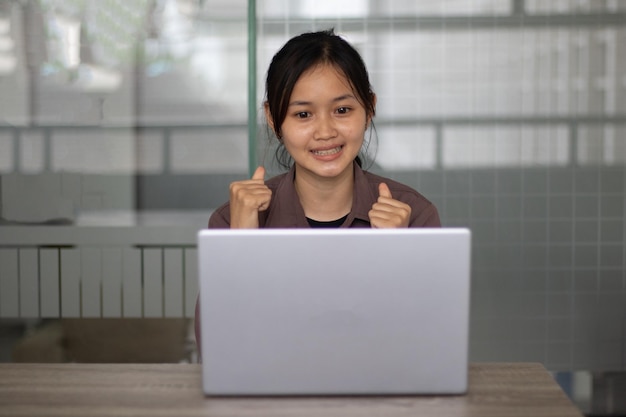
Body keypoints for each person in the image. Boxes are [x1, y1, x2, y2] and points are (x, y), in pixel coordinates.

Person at [195, 29, 440, 350]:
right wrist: (241, 244)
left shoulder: (415, 217)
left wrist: (394, 256)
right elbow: (217, 348)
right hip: (273, 397)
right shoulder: (234, 220)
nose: (325, 131)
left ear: (370, 109)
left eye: (342, 110)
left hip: (378, 398)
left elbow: (429, 347)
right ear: (273, 118)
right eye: (303, 114)